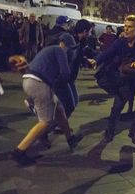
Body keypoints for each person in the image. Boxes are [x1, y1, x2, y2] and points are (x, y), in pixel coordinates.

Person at [12, 33, 83, 166]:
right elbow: (66, 74)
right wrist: (56, 82)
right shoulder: (59, 50)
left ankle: (70, 138)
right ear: (65, 45)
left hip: (29, 81)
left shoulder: (47, 49)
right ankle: (19, 151)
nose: (70, 51)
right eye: (70, 48)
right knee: (45, 122)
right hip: (40, 84)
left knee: (60, 109)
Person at [90, 15, 135, 145]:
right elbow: (107, 53)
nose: (125, 29)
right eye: (125, 26)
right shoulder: (120, 42)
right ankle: (109, 134)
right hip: (126, 79)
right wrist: (96, 60)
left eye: (129, 27)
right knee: (117, 107)